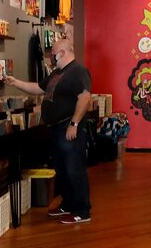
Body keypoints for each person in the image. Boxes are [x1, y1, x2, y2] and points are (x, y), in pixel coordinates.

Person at [6, 39, 93, 224]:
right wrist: (16, 82)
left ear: (62, 52)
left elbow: (84, 98)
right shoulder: (57, 73)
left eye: (53, 52)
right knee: (62, 170)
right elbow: (38, 88)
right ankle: (68, 204)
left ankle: (82, 211)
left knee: (74, 169)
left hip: (68, 128)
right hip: (55, 129)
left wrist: (74, 124)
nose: (51, 56)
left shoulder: (78, 71)